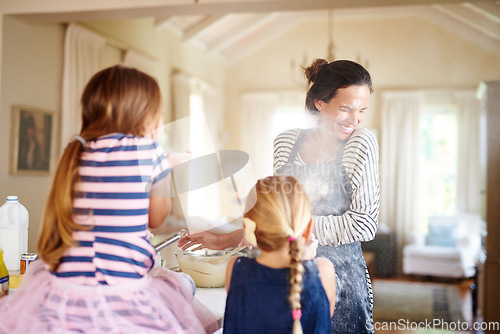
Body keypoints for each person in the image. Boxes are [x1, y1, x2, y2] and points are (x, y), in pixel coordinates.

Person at [0, 65, 217, 334]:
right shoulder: (150, 151)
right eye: (159, 115)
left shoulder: (75, 148)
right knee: (182, 284)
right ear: (143, 116)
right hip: (123, 286)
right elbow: (157, 218)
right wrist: (164, 168)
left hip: (67, 285)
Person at [273, 59, 380, 333]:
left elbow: (365, 224)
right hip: (289, 277)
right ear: (320, 102)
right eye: (345, 108)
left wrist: (298, 227)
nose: (354, 120)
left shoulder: (361, 142)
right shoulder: (286, 142)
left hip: (344, 284)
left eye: (362, 110)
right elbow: (273, 211)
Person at [223, 175, 336, 334]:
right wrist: (306, 256)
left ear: (247, 228)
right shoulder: (323, 272)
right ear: (309, 228)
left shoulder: (235, 270)